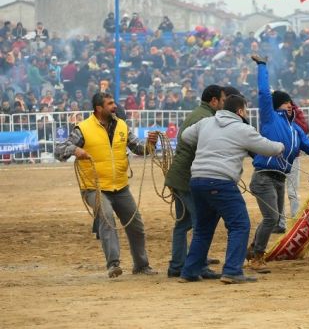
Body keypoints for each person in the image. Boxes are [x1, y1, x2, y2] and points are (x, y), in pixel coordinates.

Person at [247, 54, 309, 273]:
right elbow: (263, 92)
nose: (291, 105)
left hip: (279, 177)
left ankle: (253, 250)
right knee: (271, 218)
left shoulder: (296, 129)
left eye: (291, 102)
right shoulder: (269, 118)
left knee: (274, 218)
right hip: (264, 176)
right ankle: (257, 256)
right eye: (287, 102)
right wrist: (262, 65)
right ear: (279, 105)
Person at [178, 94, 284, 284]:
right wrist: (283, 145)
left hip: (197, 180)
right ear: (240, 111)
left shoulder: (206, 122)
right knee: (240, 224)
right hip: (221, 182)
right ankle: (233, 271)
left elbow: (185, 136)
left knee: (202, 229)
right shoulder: (243, 129)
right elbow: (270, 149)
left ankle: (190, 271)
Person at [54, 92, 159, 278]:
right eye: (110, 104)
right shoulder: (83, 128)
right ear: (99, 108)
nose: (115, 106)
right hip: (94, 187)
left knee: (136, 224)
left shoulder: (122, 126)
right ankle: (113, 264)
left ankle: (141, 265)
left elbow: (139, 148)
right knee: (106, 217)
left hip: (120, 186)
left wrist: (151, 144)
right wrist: (75, 149)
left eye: (114, 103)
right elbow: (59, 150)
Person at [164, 84, 226, 279]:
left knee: (183, 225)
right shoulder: (207, 119)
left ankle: (177, 265)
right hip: (188, 178)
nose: (224, 104)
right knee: (202, 224)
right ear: (214, 101)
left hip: (179, 176)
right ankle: (198, 266)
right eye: (222, 100)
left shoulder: (198, 114)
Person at [276, 101, 309, 232]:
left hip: (290, 158)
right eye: (284, 103)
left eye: (289, 104)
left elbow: (304, 129)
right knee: (280, 192)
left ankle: (293, 222)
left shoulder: (295, 117)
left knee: (291, 192)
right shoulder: (277, 118)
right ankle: (281, 223)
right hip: (279, 158)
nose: (288, 107)